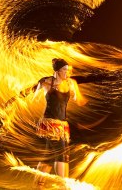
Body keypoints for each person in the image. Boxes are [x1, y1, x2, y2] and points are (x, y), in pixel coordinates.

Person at [35, 58, 78, 187]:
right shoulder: (47, 82)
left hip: (62, 125)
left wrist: (76, 93)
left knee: (48, 156)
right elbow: (35, 97)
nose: (67, 72)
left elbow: (76, 99)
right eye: (64, 70)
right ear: (58, 71)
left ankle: (38, 184)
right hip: (50, 124)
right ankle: (63, 186)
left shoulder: (69, 84)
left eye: (68, 70)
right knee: (61, 153)